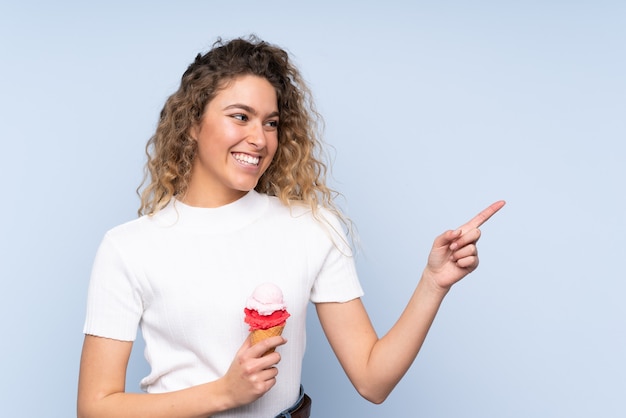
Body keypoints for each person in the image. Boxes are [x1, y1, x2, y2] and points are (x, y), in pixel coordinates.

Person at [77, 35, 505, 418]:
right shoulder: (128, 247)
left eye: (271, 122)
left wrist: (434, 283)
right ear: (192, 123)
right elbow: (94, 408)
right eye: (240, 117)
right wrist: (223, 393)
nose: (259, 139)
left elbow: (373, 381)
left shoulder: (312, 228)